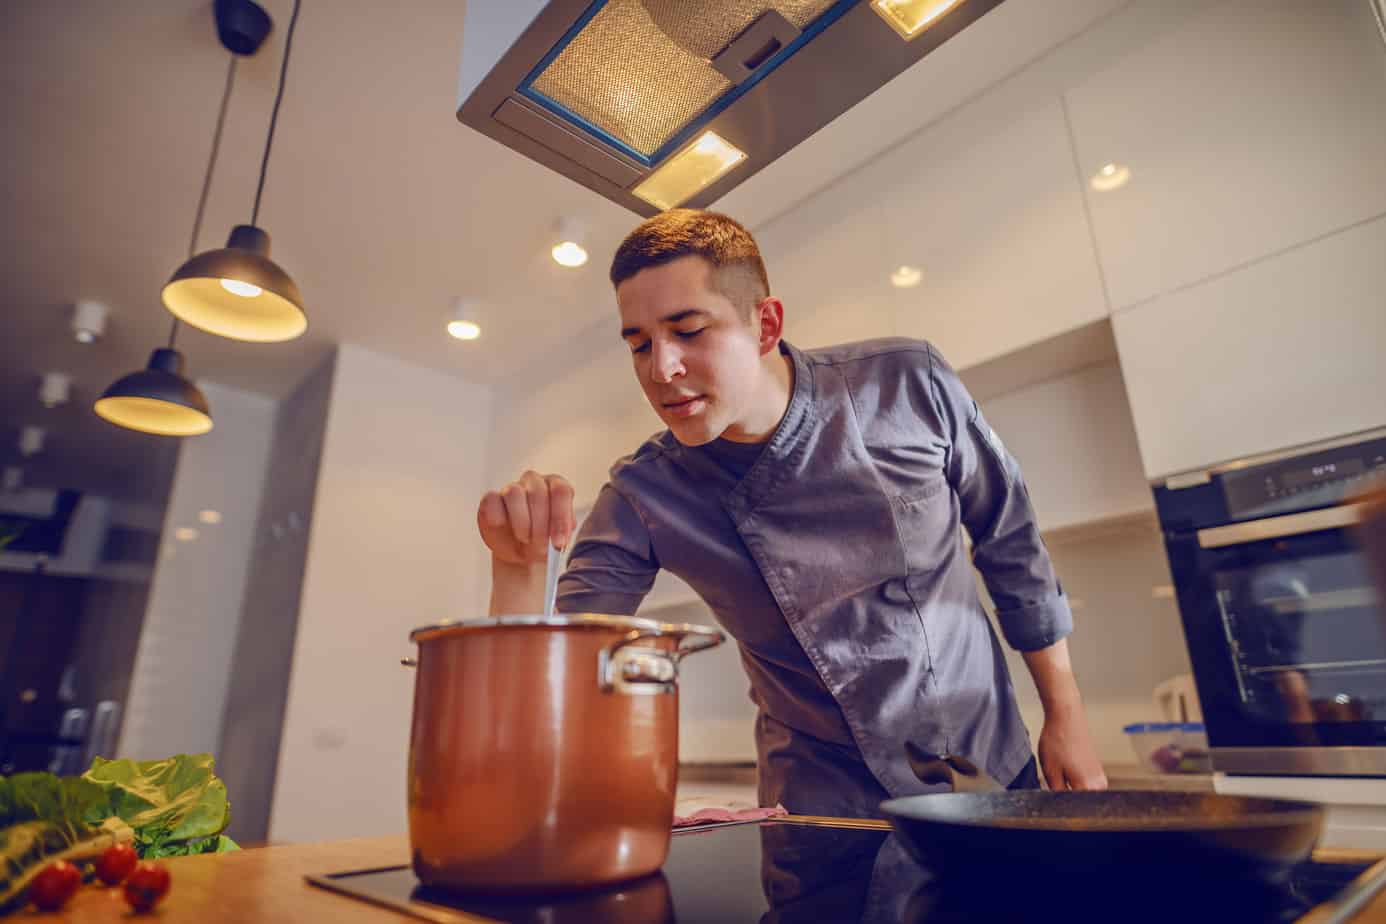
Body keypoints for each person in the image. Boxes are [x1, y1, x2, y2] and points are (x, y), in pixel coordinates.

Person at [477, 209, 1107, 817]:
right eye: (639, 344)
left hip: (990, 770)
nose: (661, 369)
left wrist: (1065, 712)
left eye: (689, 331)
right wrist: (518, 567)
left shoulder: (907, 383)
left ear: (766, 325)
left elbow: (1010, 540)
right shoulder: (646, 493)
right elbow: (546, 682)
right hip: (820, 817)